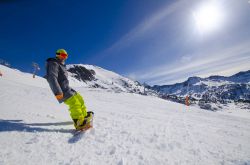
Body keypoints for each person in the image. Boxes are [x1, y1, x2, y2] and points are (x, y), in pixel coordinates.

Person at [45, 49, 93, 130]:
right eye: (62, 55)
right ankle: (79, 122)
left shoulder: (61, 65)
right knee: (74, 103)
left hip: (67, 89)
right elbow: (51, 78)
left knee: (79, 99)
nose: (64, 57)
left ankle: (83, 116)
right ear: (57, 55)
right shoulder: (53, 63)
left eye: (66, 56)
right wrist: (57, 92)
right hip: (61, 90)